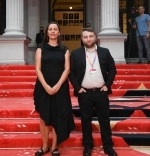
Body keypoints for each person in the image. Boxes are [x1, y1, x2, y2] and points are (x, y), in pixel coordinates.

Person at [69, 27, 117, 156]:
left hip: (101, 92)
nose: (88, 39)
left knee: (104, 120)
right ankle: (87, 146)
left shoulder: (104, 52)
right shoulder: (76, 53)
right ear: (81, 38)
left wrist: (107, 85)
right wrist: (78, 88)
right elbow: (71, 73)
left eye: (90, 36)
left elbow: (112, 69)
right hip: (85, 93)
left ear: (95, 37)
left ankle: (108, 147)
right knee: (85, 120)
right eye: (85, 37)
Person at [33, 21, 75, 156]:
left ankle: (54, 147)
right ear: (47, 32)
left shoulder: (65, 49)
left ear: (59, 32)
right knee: (44, 117)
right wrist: (46, 86)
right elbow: (38, 69)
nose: (52, 31)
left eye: (55, 29)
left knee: (58, 116)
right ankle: (45, 146)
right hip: (43, 86)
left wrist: (57, 86)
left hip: (60, 87)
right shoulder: (40, 48)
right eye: (50, 29)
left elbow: (67, 69)